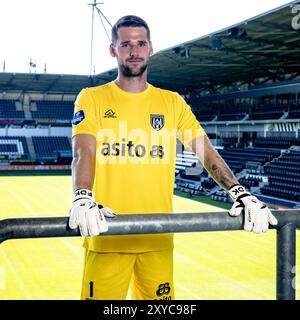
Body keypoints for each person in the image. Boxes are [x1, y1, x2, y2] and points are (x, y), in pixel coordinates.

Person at [69, 15, 278, 300]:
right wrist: (82, 195)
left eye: (141, 43)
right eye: (126, 44)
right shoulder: (91, 98)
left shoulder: (171, 102)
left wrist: (239, 192)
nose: (134, 51)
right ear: (112, 50)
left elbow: (206, 151)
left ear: (151, 48)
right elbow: (84, 151)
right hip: (106, 235)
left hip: (158, 235)